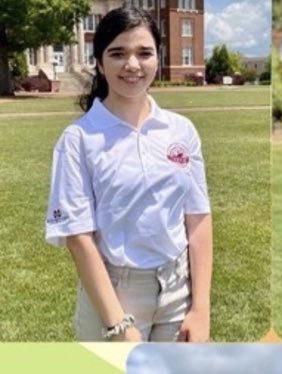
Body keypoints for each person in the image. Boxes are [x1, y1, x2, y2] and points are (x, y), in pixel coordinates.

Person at [44, 6, 213, 342]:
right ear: (99, 62)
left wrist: (201, 307)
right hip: (115, 292)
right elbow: (79, 237)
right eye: (118, 53)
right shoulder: (79, 139)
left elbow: (198, 219)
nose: (132, 65)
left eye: (144, 53)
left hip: (178, 291)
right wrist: (117, 324)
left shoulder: (181, 130)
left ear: (157, 57)